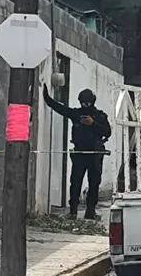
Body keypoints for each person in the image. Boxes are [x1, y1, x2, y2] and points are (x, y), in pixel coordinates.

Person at [43, 84, 112, 220]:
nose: (85, 105)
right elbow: (59, 108)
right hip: (80, 153)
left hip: (95, 155)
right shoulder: (76, 114)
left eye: (88, 103)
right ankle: (73, 211)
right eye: (83, 103)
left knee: (94, 183)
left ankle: (90, 211)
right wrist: (46, 96)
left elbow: (107, 132)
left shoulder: (100, 116)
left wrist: (93, 123)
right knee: (75, 182)